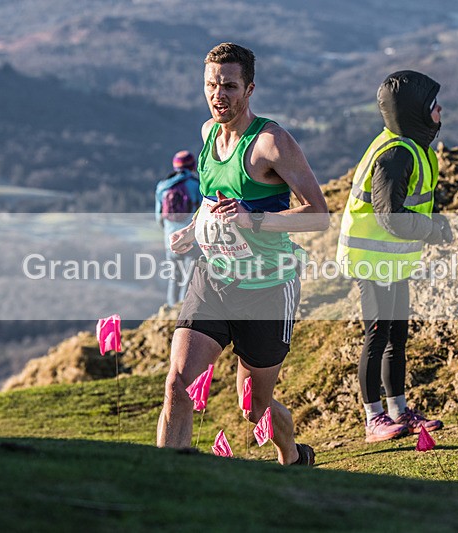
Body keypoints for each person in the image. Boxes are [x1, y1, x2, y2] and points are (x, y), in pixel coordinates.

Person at [156, 42, 330, 466]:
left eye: (230, 86)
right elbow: (212, 200)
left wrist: (252, 220)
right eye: (211, 85)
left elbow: (318, 215)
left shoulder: (271, 143)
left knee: (253, 408)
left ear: (249, 89)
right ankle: (165, 481)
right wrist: (192, 230)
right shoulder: (208, 133)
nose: (219, 95)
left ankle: (293, 455)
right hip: (214, 279)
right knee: (178, 384)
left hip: (267, 288)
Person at [336, 71, 450, 443]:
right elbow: (390, 216)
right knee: (377, 335)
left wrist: (435, 222)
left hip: (393, 258)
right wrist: (432, 230)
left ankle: (399, 411)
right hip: (372, 259)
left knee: (396, 335)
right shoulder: (397, 153)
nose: (439, 111)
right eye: (433, 106)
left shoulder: (414, 148)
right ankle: (374, 419)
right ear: (414, 112)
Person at [155, 150, 202, 306]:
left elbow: (159, 217)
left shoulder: (163, 186)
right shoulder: (196, 185)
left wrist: (168, 232)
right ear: (192, 165)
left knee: (174, 277)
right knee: (190, 278)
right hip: (192, 240)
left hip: (171, 239)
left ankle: (171, 307)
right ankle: (183, 309)